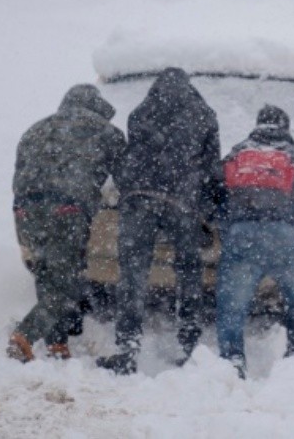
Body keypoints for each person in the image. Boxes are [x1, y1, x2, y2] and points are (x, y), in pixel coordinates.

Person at [96, 68, 221, 375]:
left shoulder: (140, 112)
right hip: (180, 202)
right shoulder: (204, 113)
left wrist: (131, 191)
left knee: (132, 274)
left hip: (139, 199)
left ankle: (127, 348)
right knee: (189, 271)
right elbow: (212, 169)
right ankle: (189, 343)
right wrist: (207, 208)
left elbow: (132, 158)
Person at [8, 84, 126, 362]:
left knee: (47, 274)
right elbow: (124, 176)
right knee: (68, 283)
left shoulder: (35, 129)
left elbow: (20, 171)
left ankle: (57, 344)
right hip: (66, 210)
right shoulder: (105, 131)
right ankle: (25, 334)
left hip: (25, 210)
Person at [215, 105, 294, 379]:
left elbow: (217, 197)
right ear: (285, 128)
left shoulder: (237, 153)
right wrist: (290, 229)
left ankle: (233, 361)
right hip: (283, 235)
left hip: (241, 235)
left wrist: (230, 228)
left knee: (232, 307)